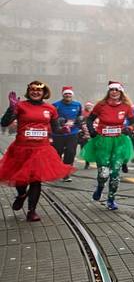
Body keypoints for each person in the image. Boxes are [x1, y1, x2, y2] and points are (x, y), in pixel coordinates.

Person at [0, 82, 74, 221]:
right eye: (32, 90)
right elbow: (4, 123)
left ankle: (31, 211)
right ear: (29, 91)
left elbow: (56, 128)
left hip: (41, 150)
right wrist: (11, 108)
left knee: (35, 181)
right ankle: (21, 195)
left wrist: (63, 129)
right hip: (21, 148)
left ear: (44, 92)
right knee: (21, 181)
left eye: (39, 90)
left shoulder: (50, 108)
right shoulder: (20, 106)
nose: (36, 92)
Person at [83, 81, 134, 211]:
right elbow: (89, 119)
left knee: (115, 173)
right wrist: (92, 131)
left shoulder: (126, 106)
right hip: (103, 141)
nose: (114, 92)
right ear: (108, 91)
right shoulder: (101, 105)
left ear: (121, 92)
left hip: (119, 142)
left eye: (117, 90)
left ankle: (111, 199)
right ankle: (100, 187)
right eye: (112, 90)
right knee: (103, 174)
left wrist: (129, 128)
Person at [52, 86, 82, 181]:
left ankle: (66, 173)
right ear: (63, 95)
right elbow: (52, 118)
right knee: (57, 153)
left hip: (72, 132)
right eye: (66, 94)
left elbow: (79, 116)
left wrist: (78, 121)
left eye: (69, 94)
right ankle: (56, 171)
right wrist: (60, 121)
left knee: (70, 152)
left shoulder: (77, 105)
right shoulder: (55, 105)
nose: (67, 95)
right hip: (58, 133)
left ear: (72, 95)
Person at [78, 101, 95, 169]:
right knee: (84, 148)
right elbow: (79, 121)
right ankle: (87, 162)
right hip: (84, 133)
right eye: (87, 106)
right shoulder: (82, 112)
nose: (88, 107)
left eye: (90, 106)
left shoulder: (94, 113)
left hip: (92, 132)